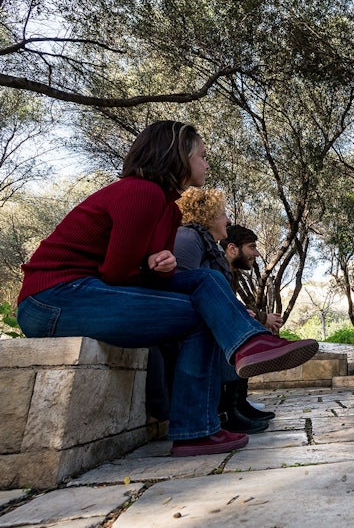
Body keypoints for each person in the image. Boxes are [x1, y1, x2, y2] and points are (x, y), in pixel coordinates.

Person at [15, 120, 319, 457]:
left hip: (91, 292)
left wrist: (160, 267)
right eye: (201, 156)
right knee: (200, 315)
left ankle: (250, 345)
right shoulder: (141, 191)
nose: (206, 164)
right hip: (53, 300)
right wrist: (151, 268)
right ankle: (196, 429)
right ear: (178, 156)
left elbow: (140, 275)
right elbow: (118, 274)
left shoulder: (168, 208)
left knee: (206, 280)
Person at [171, 189, 280, 434]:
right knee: (231, 336)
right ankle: (228, 410)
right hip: (185, 326)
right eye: (222, 214)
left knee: (235, 330)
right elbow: (182, 289)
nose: (228, 220)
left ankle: (236, 404)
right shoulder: (188, 238)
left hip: (196, 322)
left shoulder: (206, 249)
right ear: (207, 215)